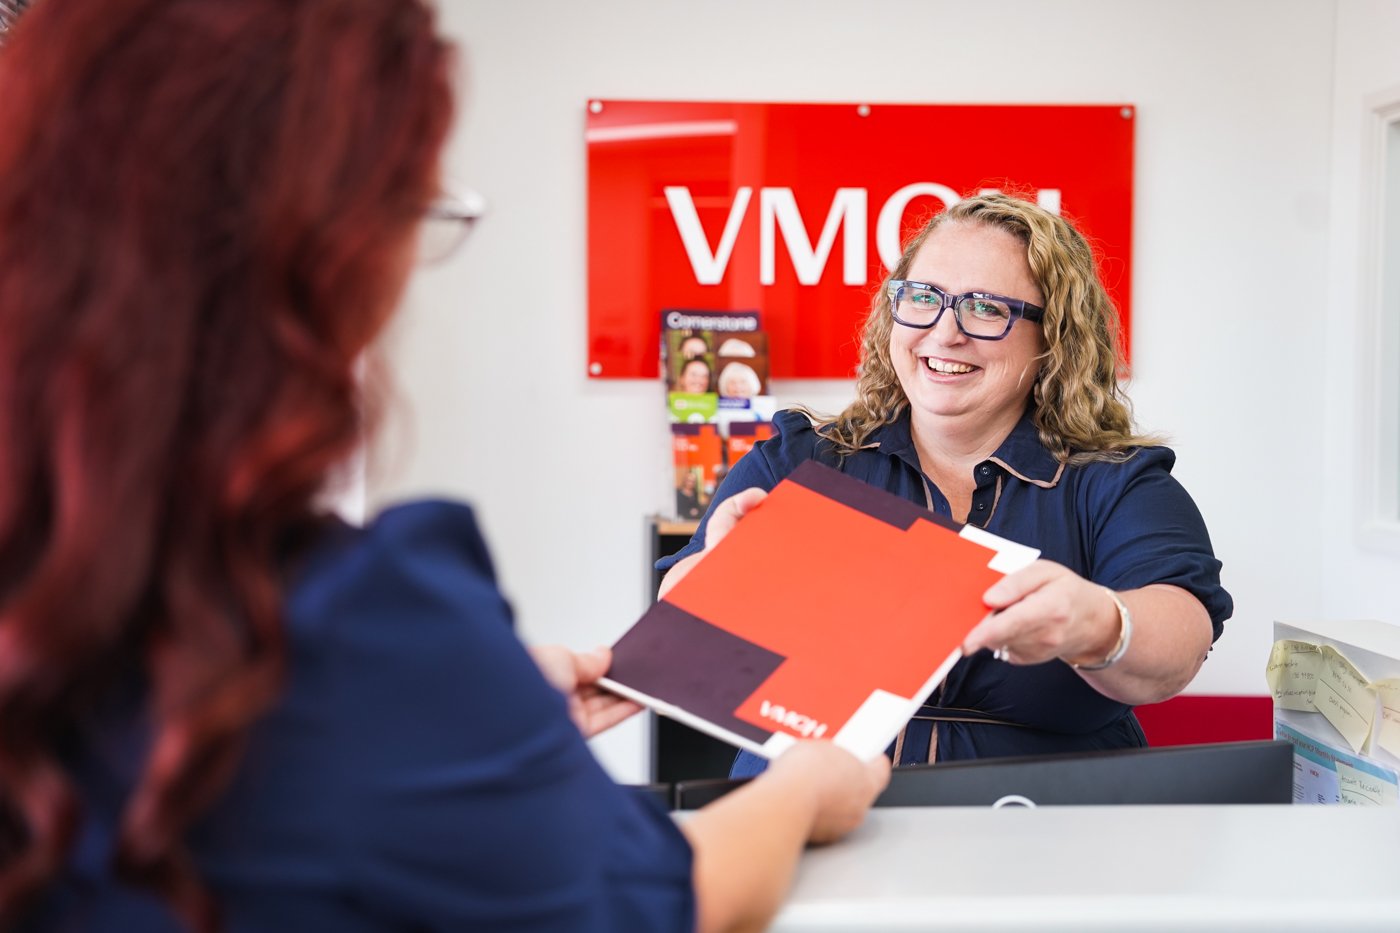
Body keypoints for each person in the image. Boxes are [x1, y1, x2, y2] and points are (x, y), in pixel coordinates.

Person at [0, 2, 889, 931]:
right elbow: (662, 897)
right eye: (416, 206)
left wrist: (479, 716)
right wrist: (801, 790)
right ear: (327, 245)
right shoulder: (362, 622)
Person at [660, 193, 1233, 776]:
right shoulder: (799, 459)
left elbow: (1179, 639)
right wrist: (713, 582)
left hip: (1044, 833)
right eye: (924, 298)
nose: (944, 331)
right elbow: (676, 633)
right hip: (806, 819)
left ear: (1053, 338)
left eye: (986, 307)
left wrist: (1095, 621)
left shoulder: (1115, 484)